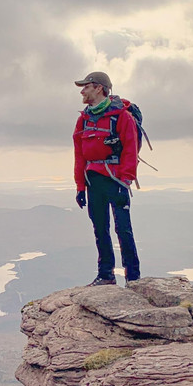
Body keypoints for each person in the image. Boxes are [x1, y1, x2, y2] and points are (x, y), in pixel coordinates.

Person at [72, 71, 140, 286]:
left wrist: (126, 181)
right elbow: (79, 155)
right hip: (94, 181)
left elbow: (130, 149)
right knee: (100, 228)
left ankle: (133, 278)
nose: (82, 91)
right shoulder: (83, 120)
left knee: (123, 229)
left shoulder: (121, 117)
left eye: (86, 86)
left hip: (116, 180)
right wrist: (80, 187)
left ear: (99, 88)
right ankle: (106, 275)